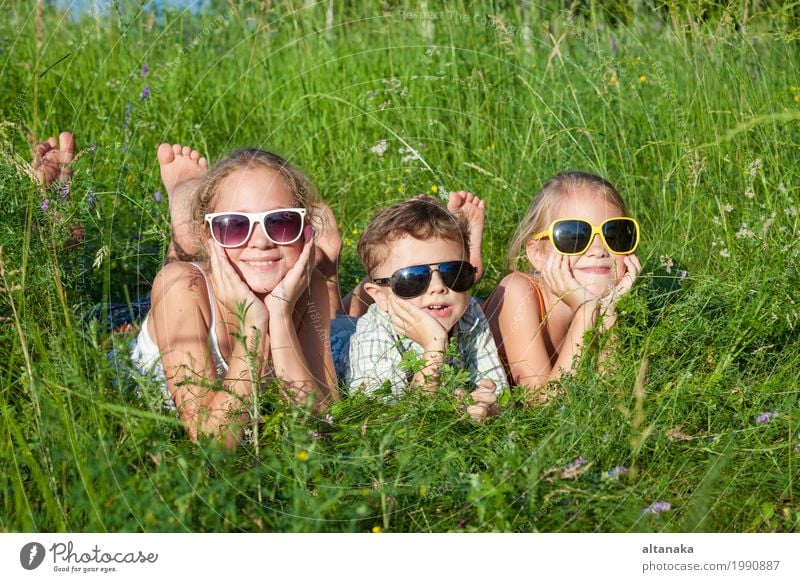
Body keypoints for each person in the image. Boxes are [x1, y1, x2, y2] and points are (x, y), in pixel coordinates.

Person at [131, 145, 338, 447]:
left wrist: (279, 314)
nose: (261, 242)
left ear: (305, 230)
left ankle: (327, 261)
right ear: (209, 235)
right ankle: (182, 228)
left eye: (281, 222)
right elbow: (214, 443)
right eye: (234, 226)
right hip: (168, 314)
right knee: (172, 277)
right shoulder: (181, 289)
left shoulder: (310, 287)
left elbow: (321, 427)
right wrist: (253, 328)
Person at [336, 198, 507, 421]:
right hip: (336, 341)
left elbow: (497, 391)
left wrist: (487, 406)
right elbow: (388, 422)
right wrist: (434, 349)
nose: (438, 287)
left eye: (453, 272)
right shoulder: (374, 335)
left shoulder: (470, 311)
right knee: (335, 316)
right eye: (412, 279)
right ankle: (328, 274)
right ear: (380, 296)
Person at [483, 171, 641, 403]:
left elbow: (613, 403)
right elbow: (542, 406)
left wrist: (609, 314)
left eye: (614, 234)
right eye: (575, 236)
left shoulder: (603, 306)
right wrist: (586, 310)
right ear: (538, 254)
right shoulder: (518, 292)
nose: (598, 250)